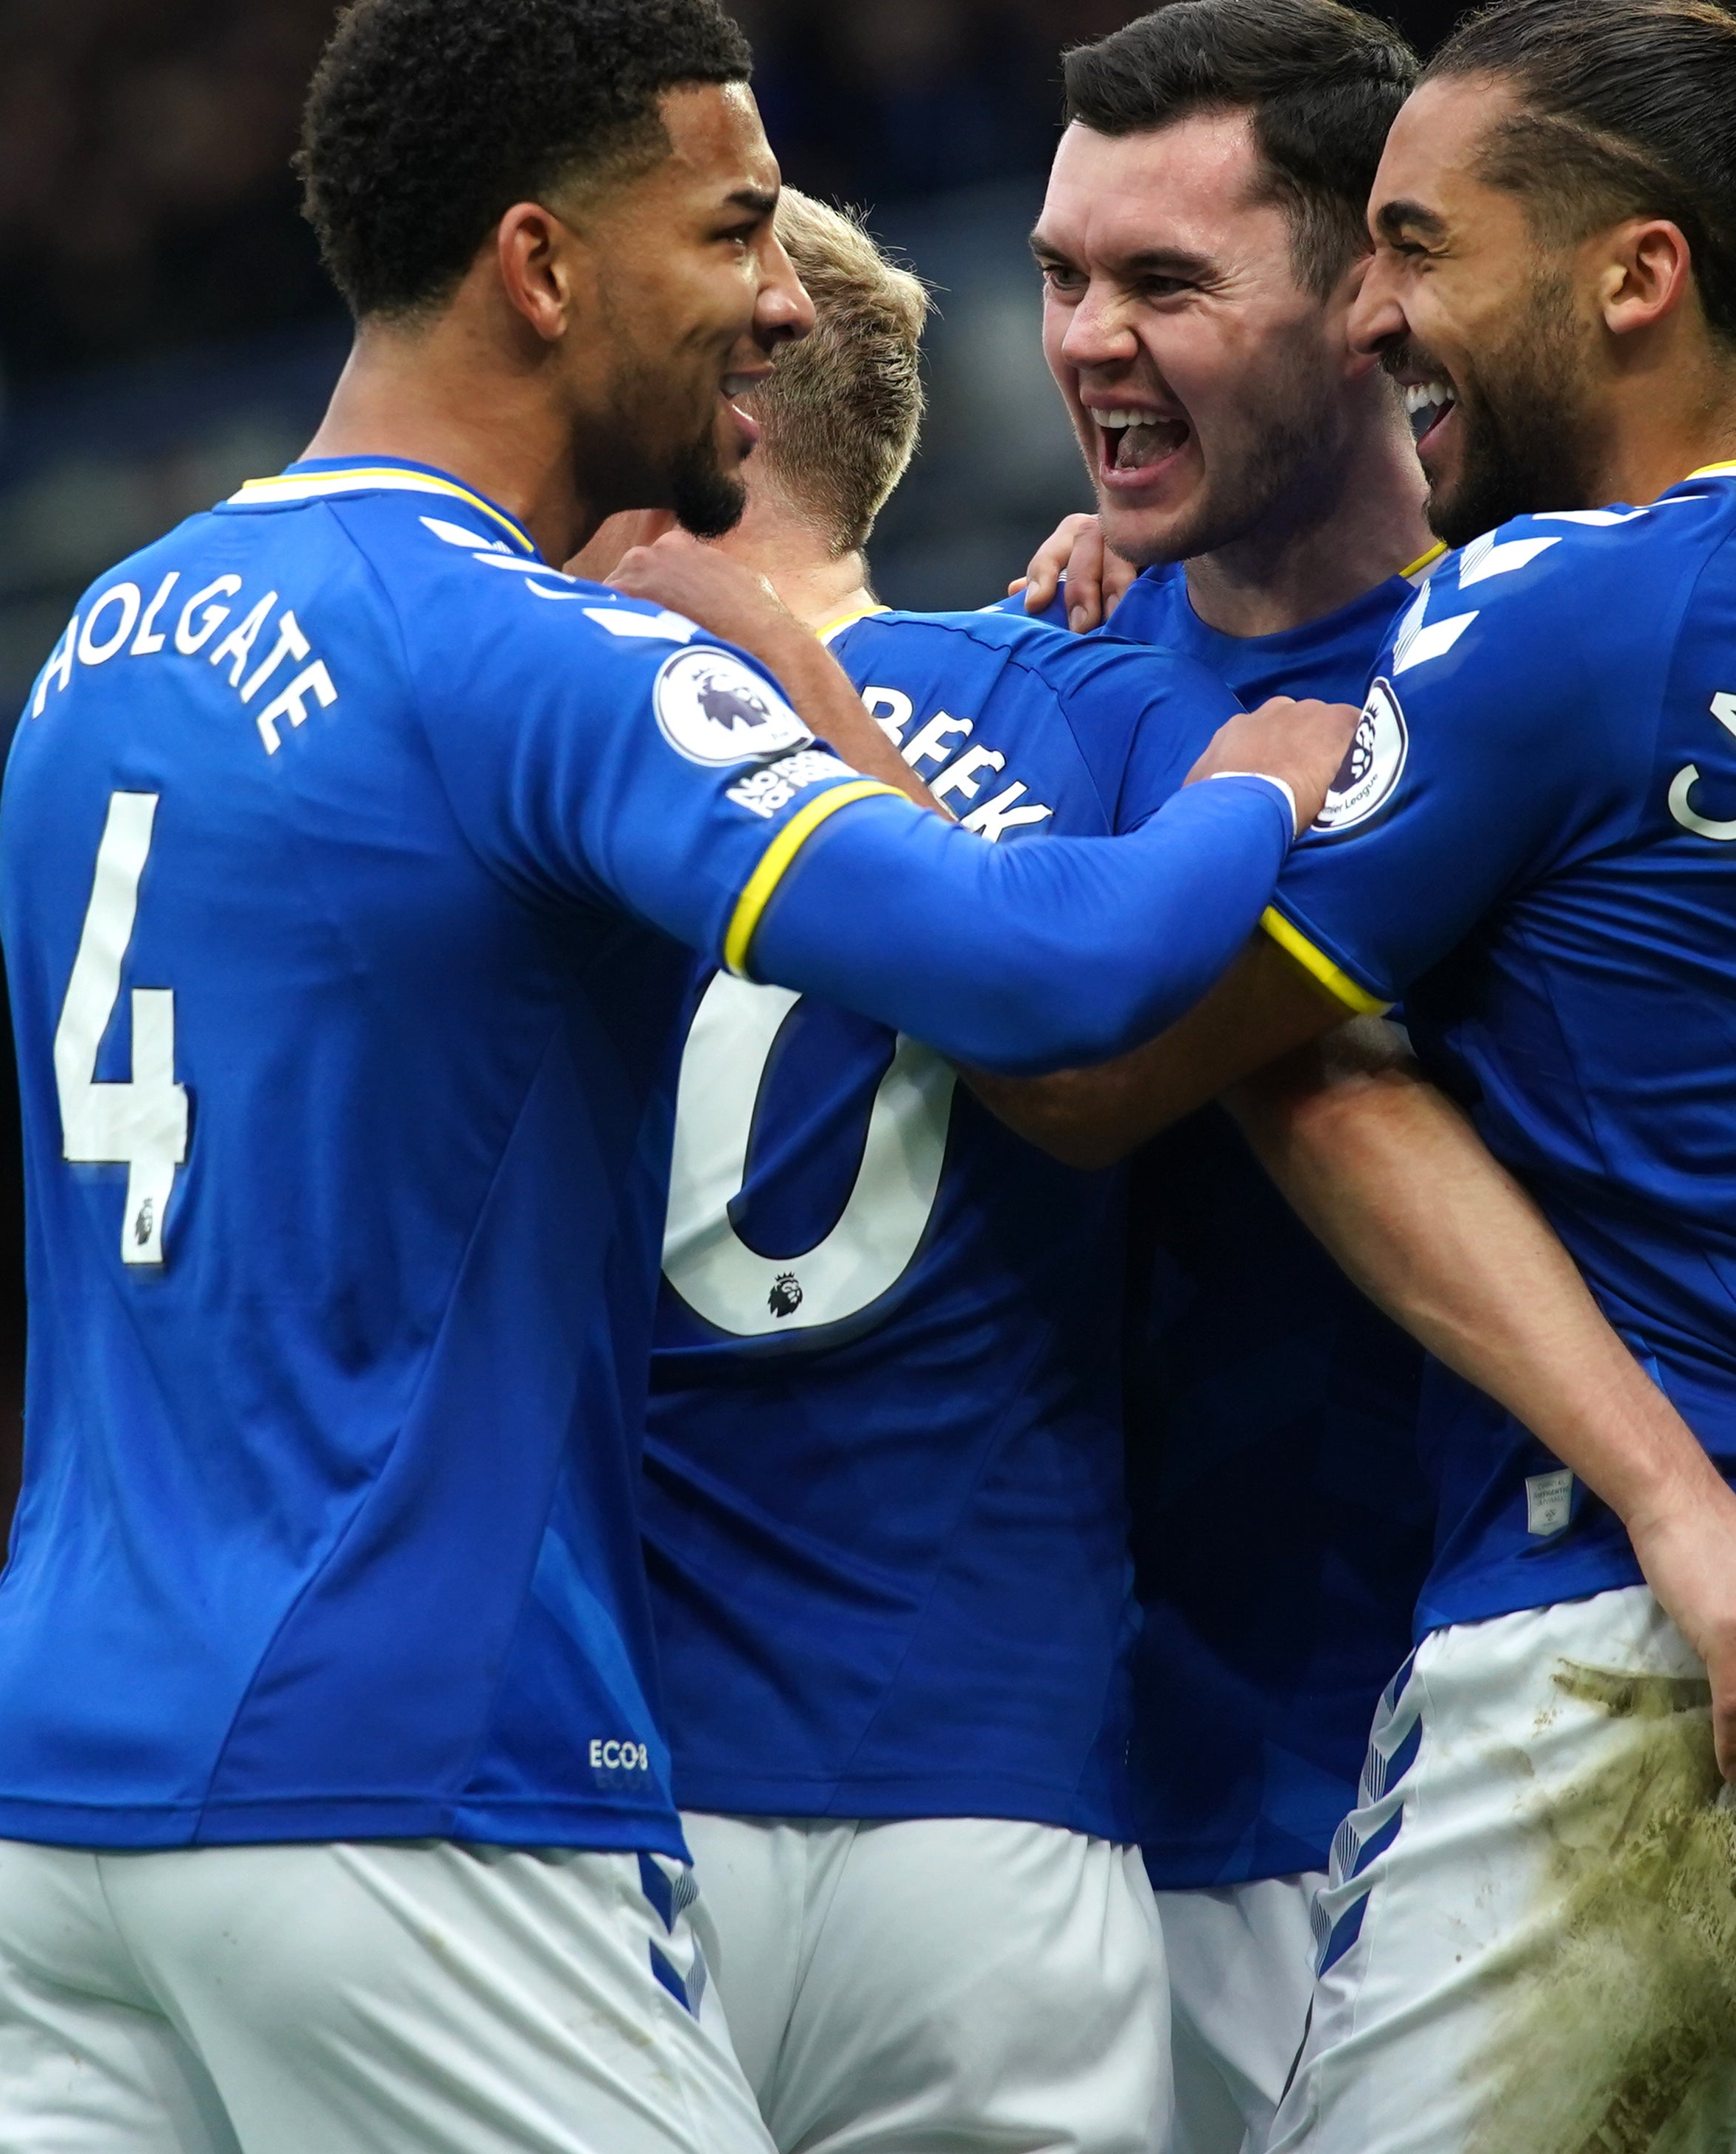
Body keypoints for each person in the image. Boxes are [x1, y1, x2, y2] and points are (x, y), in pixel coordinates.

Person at [0, 0, 1353, 2154]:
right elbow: (1036, 974)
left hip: (38, 1826)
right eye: (732, 226)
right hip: (410, 1785)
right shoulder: (536, 662)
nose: (785, 299)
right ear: (539, 265)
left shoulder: (102, 646)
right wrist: (1261, 775)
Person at [986, 0, 1736, 2152]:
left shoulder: (1542, 610)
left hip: (1645, 1678)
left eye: (1422, 251)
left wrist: (903, 715)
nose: (1376, 323)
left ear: (1639, 274)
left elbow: (1157, 1063)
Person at [571, 189, 1241, 2153]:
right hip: (995, 1794)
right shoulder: (1096, 684)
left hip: (595, 1801)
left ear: (737, 399)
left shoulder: (534, 711)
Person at [994, 0, 1446, 2153]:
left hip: (1397, 1798)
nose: (1090, 339)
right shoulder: (1036, 670)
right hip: (1044, 1831)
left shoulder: (1518, 683)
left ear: (1376, 287)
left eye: (1166, 280)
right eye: (1065, 277)